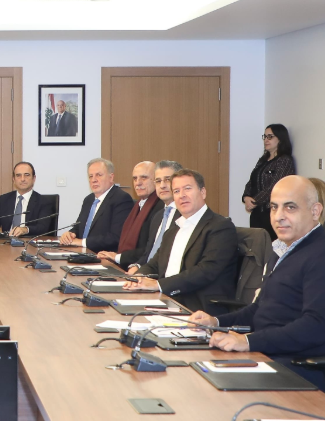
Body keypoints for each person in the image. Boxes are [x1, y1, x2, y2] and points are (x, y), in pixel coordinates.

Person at [189, 176, 325, 391]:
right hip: (266, 355)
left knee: (207, 390)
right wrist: (215, 322)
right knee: (195, 371)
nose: (279, 216)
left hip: (297, 367)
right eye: (274, 207)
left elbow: (316, 326)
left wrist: (248, 342)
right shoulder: (282, 249)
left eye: (290, 207)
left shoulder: (319, 254)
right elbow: (259, 310)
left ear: (315, 211)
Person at [124, 169, 238, 316]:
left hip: (197, 308)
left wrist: (158, 284)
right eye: (176, 191)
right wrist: (138, 278)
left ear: (203, 192)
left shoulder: (220, 227)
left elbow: (206, 271)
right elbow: (154, 264)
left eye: (187, 189)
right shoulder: (173, 230)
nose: (182, 195)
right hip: (165, 299)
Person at [96, 162, 162, 269]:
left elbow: (151, 249)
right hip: (127, 262)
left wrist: (118, 257)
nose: (138, 183)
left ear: (156, 180)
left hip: (142, 268)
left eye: (144, 178)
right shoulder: (139, 204)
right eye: (135, 178)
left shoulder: (160, 208)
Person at [122, 160, 183, 274]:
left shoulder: (184, 216)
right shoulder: (158, 216)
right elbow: (149, 254)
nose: (162, 185)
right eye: (158, 181)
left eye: (167, 179)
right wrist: (137, 266)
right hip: (147, 274)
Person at [59, 158, 134, 252]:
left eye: (99, 175)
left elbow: (116, 237)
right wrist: (70, 234)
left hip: (103, 255)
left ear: (111, 177)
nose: (94, 180)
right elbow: (79, 227)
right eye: (91, 176)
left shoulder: (121, 198)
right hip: (83, 252)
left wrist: (82, 242)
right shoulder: (88, 199)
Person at [0, 162, 57, 237]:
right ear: (14, 179)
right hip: (6, 244)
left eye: (27, 175)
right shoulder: (4, 199)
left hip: (30, 244)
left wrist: (25, 229)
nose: (22, 179)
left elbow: (43, 227)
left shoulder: (44, 202)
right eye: (18, 175)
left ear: (34, 178)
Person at [243, 124, 296, 240]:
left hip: (272, 213)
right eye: (265, 136)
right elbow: (251, 181)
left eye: (270, 137)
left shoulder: (284, 160)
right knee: (257, 245)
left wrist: (255, 201)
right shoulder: (262, 160)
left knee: (270, 246)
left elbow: (275, 187)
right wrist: (246, 197)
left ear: (280, 139)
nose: (266, 140)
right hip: (257, 213)